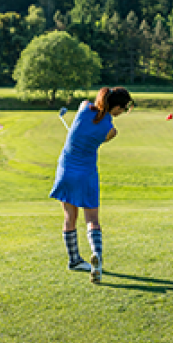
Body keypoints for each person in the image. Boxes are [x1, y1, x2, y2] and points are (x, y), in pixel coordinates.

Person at [50, 87, 134, 283]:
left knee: (69, 217)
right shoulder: (111, 130)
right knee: (92, 220)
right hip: (86, 173)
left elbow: (89, 109)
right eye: (123, 109)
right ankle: (97, 255)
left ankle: (74, 261)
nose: (122, 112)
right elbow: (101, 131)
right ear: (116, 107)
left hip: (65, 170)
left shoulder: (84, 107)